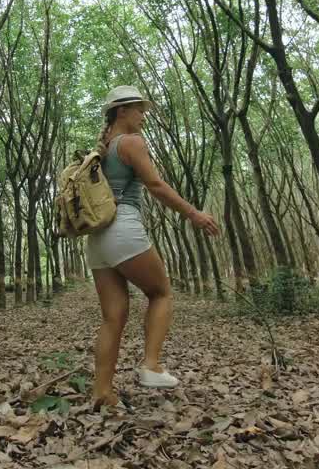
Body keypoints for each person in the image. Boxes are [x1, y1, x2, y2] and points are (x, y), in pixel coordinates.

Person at [88, 85, 220, 407]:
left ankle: (102, 392)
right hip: (123, 228)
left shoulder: (103, 149)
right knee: (161, 293)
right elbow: (156, 185)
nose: (144, 116)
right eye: (140, 110)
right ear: (122, 111)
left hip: (97, 239)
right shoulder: (131, 142)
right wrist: (195, 214)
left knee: (112, 317)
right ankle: (151, 365)